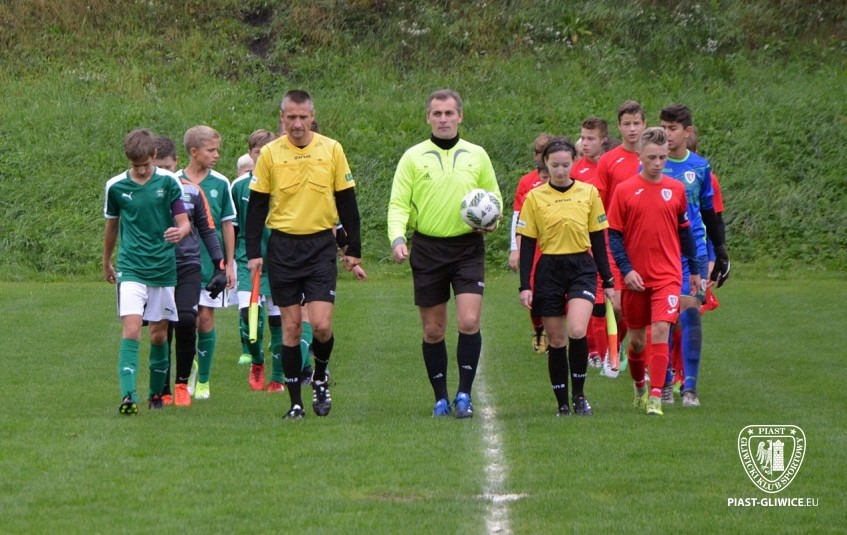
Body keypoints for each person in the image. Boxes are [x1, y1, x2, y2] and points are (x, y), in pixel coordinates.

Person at [246, 89, 362, 419]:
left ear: (312, 117)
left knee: (322, 326)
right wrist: (253, 252)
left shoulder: (331, 149)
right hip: (283, 248)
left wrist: (353, 248)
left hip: (320, 247)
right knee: (292, 328)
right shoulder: (270, 154)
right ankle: (296, 403)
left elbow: (347, 202)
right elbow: (257, 207)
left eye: (303, 117)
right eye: (291, 117)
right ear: (282, 118)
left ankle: (320, 376)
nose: (297, 124)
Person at [387, 89, 502, 418]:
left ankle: (464, 394)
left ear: (460, 116)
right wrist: (397, 238)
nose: (443, 119)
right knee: (433, 330)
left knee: (469, 321)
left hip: (468, 248)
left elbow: (493, 196)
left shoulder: (477, 155)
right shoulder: (413, 157)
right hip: (428, 249)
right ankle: (440, 398)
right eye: (437, 114)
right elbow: (398, 203)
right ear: (428, 118)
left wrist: (492, 220)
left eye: (449, 113)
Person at [607, 127, 701, 416]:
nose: (658, 163)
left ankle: (656, 398)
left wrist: (694, 269)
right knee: (636, 341)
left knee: (661, 329)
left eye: (662, 157)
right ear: (639, 155)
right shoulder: (624, 191)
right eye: (652, 158)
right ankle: (640, 387)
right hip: (635, 278)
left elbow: (685, 232)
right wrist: (626, 270)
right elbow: (614, 236)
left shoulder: (676, 190)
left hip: (668, 276)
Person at [517, 137, 614, 416]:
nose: (560, 170)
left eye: (566, 165)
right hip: (549, 270)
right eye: (555, 165)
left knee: (577, 331)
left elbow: (598, 240)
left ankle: (579, 396)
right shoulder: (535, 198)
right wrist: (525, 285)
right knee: (557, 340)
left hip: (581, 267)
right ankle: (562, 403)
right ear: (545, 164)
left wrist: (608, 280)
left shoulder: (589, 193)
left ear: (574, 163)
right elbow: (528, 244)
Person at [103, 128, 191, 414]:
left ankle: (156, 394)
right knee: (131, 329)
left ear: (154, 155)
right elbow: (112, 225)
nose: (141, 170)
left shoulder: (169, 182)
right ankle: (128, 397)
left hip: (163, 268)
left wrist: (180, 232)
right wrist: (106, 261)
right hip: (131, 267)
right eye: (135, 165)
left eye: (145, 164)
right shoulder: (116, 186)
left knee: (158, 335)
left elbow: (183, 221)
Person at [659, 104, 730, 407]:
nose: (666, 134)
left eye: (672, 128)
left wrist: (721, 251)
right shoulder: (651, 164)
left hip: (694, 254)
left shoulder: (700, 167)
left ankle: (689, 388)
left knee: (689, 312)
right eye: (663, 127)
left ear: (687, 132)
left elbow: (709, 213)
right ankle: (664, 382)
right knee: (664, 318)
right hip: (661, 253)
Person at [152, 136, 226, 407]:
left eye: (168, 167)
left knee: (185, 320)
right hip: (157, 266)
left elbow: (207, 229)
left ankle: (182, 384)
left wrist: (220, 266)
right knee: (162, 328)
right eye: (158, 168)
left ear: (176, 163)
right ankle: (162, 389)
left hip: (187, 264)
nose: (164, 173)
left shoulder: (192, 191)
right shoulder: (144, 192)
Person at [176, 125, 236, 400]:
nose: (216, 155)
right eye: (211, 150)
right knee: (184, 321)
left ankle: (204, 381)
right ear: (194, 151)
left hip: (211, 264)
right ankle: (187, 370)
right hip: (181, 263)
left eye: (217, 150)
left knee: (206, 318)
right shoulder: (173, 182)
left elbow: (227, 225)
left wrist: (228, 264)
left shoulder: (221, 183)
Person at [231, 129, 292, 392]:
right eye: (258, 152)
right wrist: (228, 262)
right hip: (249, 261)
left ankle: (277, 377)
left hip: (279, 262)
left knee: (278, 321)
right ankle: (257, 361)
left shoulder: (287, 182)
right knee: (248, 316)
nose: (264, 156)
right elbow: (232, 227)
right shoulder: (239, 186)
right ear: (250, 154)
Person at [595, 101, 647, 368]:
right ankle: (616, 348)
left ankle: (633, 354)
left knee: (642, 305)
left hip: (643, 242)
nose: (632, 128)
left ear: (644, 125)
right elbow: (599, 203)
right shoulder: (608, 160)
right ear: (619, 126)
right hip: (614, 240)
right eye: (627, 124)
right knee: (616, 304)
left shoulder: (652, 158)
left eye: (637, 123)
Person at [571, 117, 613, 371]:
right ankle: (596, 350)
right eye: (583, 138)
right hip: (583, 241)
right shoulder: (576, 170)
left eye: (591, 139)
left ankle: (613, 349)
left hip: (611, 239)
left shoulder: (610, 166)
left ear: (603, 140)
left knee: (615, 298)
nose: (585, 143)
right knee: (590, 295)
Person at [509, 132, 552, 353]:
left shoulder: (565, 179)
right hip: (533, 247)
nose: (541, 156)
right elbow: (518, 217)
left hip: (558, 245)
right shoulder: (527, 181)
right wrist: (514, 248)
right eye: (538, 152)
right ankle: (539, 329)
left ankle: (557, 334)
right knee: (534, 292)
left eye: (545, 152)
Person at [234, 152, 258, 366]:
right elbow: (231, 225)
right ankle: (249, 351)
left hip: (275, 257)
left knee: (277, 316)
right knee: (246, 310)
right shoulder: (238, 187)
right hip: (244, 258)